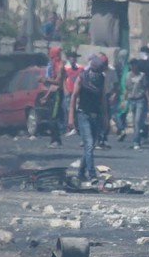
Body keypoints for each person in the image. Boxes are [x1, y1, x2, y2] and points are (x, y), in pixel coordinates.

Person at [68, 53, 109, 183]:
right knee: (89, 145)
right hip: (83, 114)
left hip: (96, 115)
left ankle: (80, 173)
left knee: (89, 147)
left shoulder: (101, 79)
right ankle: (92, 174)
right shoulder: (82, 77)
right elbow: (74, 96)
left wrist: (105, 117)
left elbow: (103, 99)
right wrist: (71, 117)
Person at [124, 55, 149, 149]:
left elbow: (145, 88)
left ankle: (136, 142)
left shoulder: (142, 75)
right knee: (135, 122)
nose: (133, 66)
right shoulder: (128, 75)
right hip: (132, 100)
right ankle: (138, 138)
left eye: (134, 64)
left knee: (138, 121)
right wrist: (123, 100)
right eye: (131, 65)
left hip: (140, 100)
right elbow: (126, 89)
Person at [42, 46, 65, 147]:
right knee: (50, 117)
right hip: (53, 93)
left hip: (58, 94)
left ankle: (56, 140)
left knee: (53, 117)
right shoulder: (53, 66)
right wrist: (46, 96)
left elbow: (58, 82)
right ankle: (55, 139)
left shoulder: (60, 66)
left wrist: (46, 80)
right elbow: (52, 85)